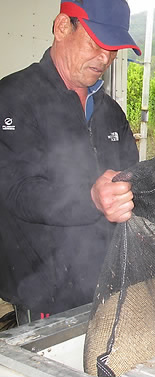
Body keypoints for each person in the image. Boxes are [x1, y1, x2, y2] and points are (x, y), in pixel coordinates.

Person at [0, 0, 141, 324]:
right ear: (63, 26)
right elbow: (18, 191)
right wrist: (90, 198)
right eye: (95, 44)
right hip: (41, 284)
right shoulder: (13, 97)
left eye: (113, 50)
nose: (104, 59)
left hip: (103, 277)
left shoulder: (110, 111)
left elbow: (132, 176)